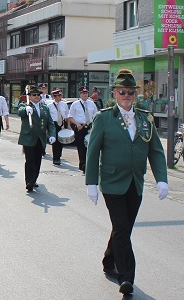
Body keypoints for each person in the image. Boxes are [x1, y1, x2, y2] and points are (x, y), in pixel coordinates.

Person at [85, 69, 168, 295]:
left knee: (123, 229)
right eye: (122, 92)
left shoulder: (145, 118)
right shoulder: (104, 118)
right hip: (112, 182)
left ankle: (108, 260)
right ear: (114, 93)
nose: (127, 95)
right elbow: (93, 152)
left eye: (131, 92)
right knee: (122, 228)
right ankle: (126, 277)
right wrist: (91, 182)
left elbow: (156, 152)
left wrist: (162, 179)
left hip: (135, 182)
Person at [17, 85, 56, 192]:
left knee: (38, 160)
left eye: (38, 95)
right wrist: (26, 109)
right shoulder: (25, 105)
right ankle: (29, 181)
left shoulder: (45, 108)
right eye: (34, 95)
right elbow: (19, 112)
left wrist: (52, 135)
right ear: (29, 96)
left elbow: (50, 123)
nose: (36, 96)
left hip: (40, 138)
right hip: (28, 137)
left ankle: (34, 179)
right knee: (30, 160)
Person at [68, 86, 98, 173]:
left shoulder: (92, 103)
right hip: (80, 127)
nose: (85, 95)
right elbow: (70, 116)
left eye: (86, 93)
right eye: (83, 93)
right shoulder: (75, 104)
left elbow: (96, 115)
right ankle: (83, 164)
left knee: (90, 146)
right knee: (81, 147)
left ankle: (88, 164)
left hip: (90, 127)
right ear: (80, 94)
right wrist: (77, 124)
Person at [47, 89, 69, 165]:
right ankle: (55, 158)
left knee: (61, 141)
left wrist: (68, 125)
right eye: (59, 96)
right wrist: (47, 129)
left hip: (62, 123)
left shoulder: (64, 104)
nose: (60, 97)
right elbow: (48, 117)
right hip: (54, 124)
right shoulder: (49, 105)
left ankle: (59, 156)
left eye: (61, 95)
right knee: (55, 142)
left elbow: (67, 115)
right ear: (54, 97)